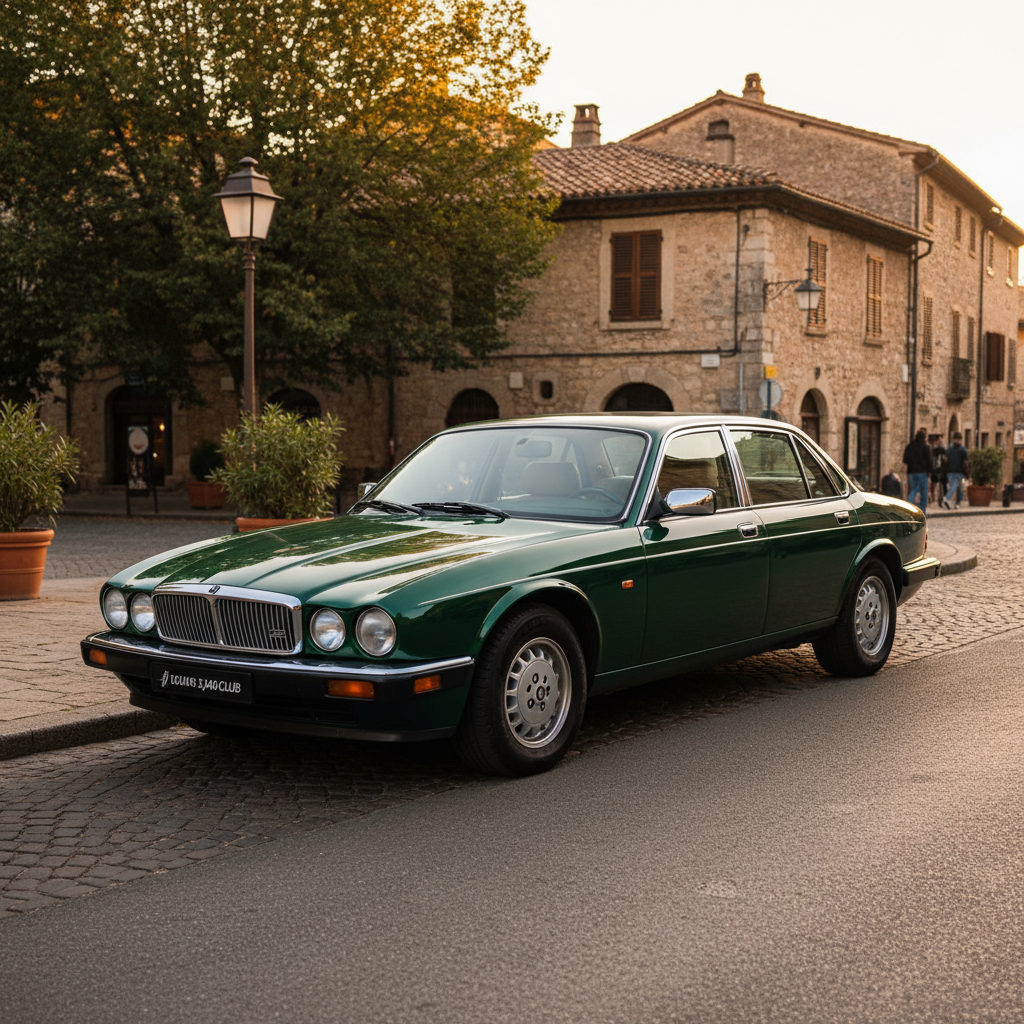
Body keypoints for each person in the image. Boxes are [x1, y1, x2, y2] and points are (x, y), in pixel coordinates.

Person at [903, 428, 931, 513]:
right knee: (923, 494)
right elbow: (929, 461)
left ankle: (909, 505)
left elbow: (905, 460)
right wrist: (930, 471)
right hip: (922, 472)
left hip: (911, 472)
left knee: (914, 489)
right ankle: (922, 512)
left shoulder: (909, 446)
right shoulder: (925, 447)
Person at [943, 432, 970, 509]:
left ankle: (956, 502)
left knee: (954, 487)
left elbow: (945, 460)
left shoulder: (949, 449)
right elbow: (966, 461)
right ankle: (948, 499)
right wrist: (967, 472)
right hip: (958, 471)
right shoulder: (963, 449)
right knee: (955, 487)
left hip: (951, 471)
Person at [929, 435, 947, 505]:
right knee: (934, 483)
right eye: (939, 440)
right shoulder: (933, 450)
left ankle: (941, 498)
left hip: (941, 469)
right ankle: (933, 497)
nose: (940, 442)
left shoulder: (942, 450)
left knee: (942, 484)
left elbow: (945, 459)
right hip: (935, 469)